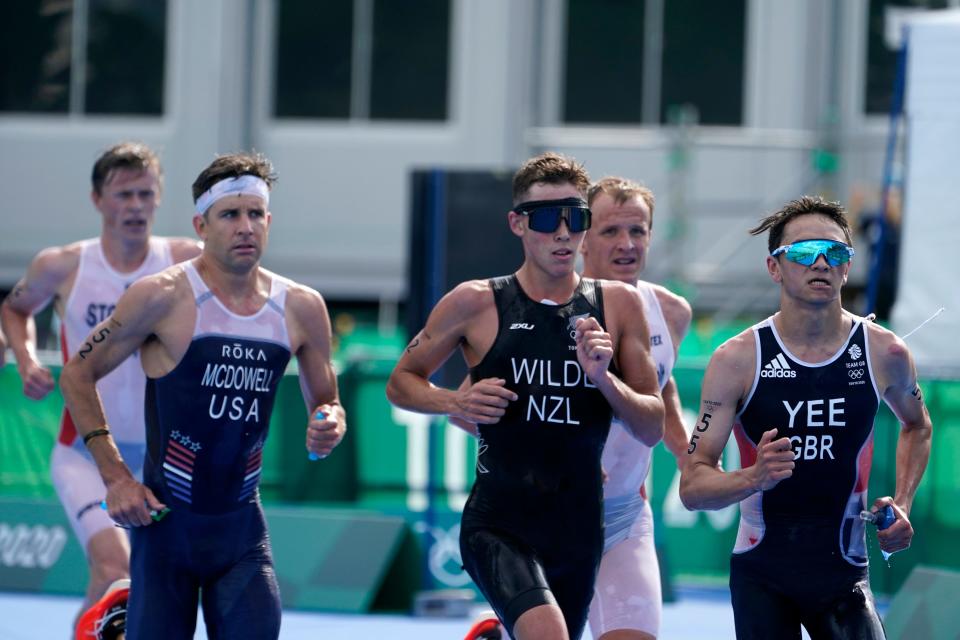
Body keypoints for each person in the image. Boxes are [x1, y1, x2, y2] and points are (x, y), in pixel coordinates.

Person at [59, 151, 347, 639]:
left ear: (269, 221)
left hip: (241, 536)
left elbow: (327, 401)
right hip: (166, 531)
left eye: (255, 214)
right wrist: (116, 478)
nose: (245, 227)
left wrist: (328, 423)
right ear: (201, 224)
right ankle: (116, 611)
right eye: (229, 215)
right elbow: (76, 374)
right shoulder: (161, 296)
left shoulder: (301, 306)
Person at [387, 152, 665, 640]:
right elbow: (402, 381)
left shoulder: (619, 306)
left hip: (580, 528)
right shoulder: (476, 301)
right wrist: (454, 402)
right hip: (500, 522)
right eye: (544, 219)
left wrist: (604, 378)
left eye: (575, 219)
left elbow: (651, 426)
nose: (562, 233)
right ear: (517, 224)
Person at [679, 196, 933, 639]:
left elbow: (918, 424)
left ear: (848, 267)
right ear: (774, 267)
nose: (820, 263)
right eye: (802, 253)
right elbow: (693, 487)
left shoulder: (884, 351)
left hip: (844, 574)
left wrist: (904, 502)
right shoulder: (737, 359)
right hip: (763, 574)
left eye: (835, 253)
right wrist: (754, 478)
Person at [0, 142, 200, 632]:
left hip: (163, 458)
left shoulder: (186, 261)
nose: (135, 206)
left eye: (145, 194)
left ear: (159, 198)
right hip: (84, 456)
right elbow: (15, 307)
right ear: (97, 200)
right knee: (116, 567)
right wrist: (25, 359)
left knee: (119, 584)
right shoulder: (62, 265)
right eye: (123, 195)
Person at [580, 177, 692, 640]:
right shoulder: (541, 308)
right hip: (542, 516)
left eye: (638, 231)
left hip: (624, 516)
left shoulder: (672, 311)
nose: (627, 245)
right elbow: (467, 408)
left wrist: (690, 456)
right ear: (582, 237)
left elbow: (660, 387)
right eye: (611, 232)